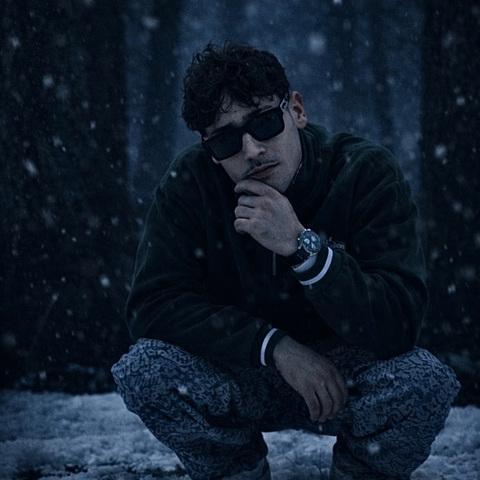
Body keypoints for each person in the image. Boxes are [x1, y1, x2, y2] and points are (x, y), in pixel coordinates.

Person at [111, 43, 460, 480]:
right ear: (208, 147)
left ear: (296, 110)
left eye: (264, 122)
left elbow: (400, 319)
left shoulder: (364, 172)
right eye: (226, 140)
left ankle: (360, 472)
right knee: (144, 369)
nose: (252, 149)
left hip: (346, 376)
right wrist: (273, 346)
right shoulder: (190, 183)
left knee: (424, 382)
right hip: (242, 375)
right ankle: (237, 471)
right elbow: (152, 306)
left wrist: (302, 247)